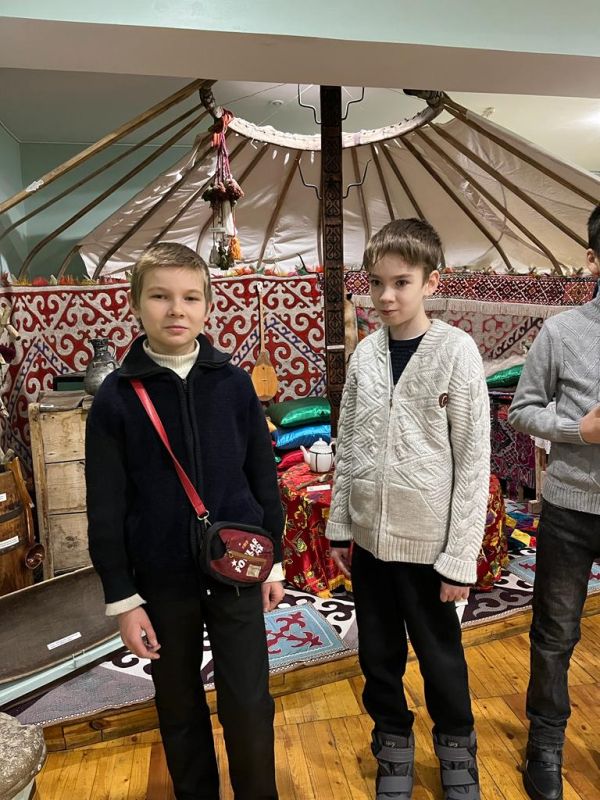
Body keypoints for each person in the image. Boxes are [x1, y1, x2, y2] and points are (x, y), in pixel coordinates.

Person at [85, 242, 285, 800]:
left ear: (208, 306)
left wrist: (273, 562)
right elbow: (104, 506)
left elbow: (262, 477)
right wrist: (123, 599)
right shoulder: (116, 399)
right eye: (160, 296)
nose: (177, 309)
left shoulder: (235, 385)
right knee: (177, 704)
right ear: (135, 304)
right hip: (161, 580)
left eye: (191, 297)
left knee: (249, 702)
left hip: (237, 568)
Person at [326, 218, 490, 800]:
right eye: (376, 283)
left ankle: (457, 748)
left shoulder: (456, 352)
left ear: (430, 282)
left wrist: (460, 557)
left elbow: (473, 462)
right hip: (371, 545)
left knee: (441, 657)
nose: (386, 296)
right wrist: (340, 526)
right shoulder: (365, 356)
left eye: (401, 282)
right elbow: (348, 443)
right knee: (378, 657)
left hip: (430, 549)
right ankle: (392, 745)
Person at [508, 204, 600, 800]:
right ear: (594, 259)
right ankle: (544, 743)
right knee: (555, 633)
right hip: (570, 508)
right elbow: (521, 410)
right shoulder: (562, 332)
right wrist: (577, 431)